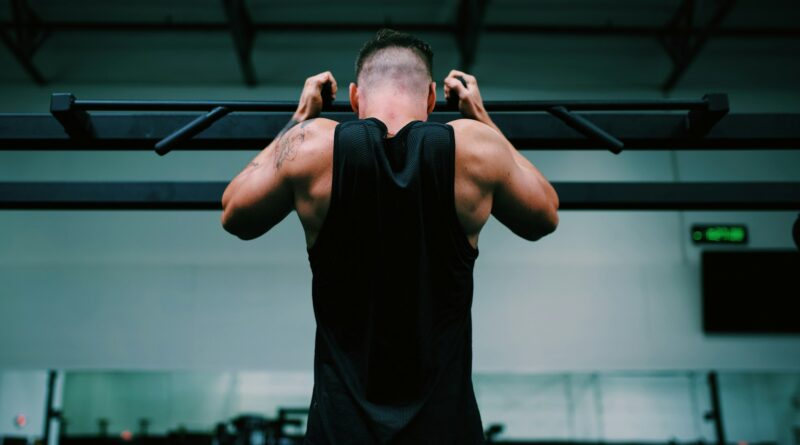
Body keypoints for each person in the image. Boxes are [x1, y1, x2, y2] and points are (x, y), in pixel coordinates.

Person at [221, 29, 559, 445]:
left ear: (355, 96)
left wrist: (300, 116)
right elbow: (545, 214)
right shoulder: (477, 149)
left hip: (340, 431)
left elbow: (233, 212)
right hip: (444, 432)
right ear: (433, 98)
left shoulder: (311, 145)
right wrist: (482, 117)